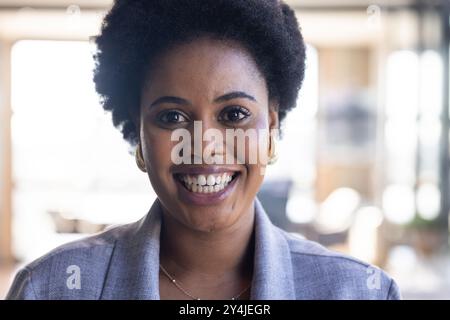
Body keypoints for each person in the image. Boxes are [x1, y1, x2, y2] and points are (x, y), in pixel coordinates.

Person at [7, 0, 400, 300]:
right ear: (139, 134)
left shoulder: (360, 292)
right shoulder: (51, 288)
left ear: (273, 126)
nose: (204, 145)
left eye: (233, 113)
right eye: (172, 117)